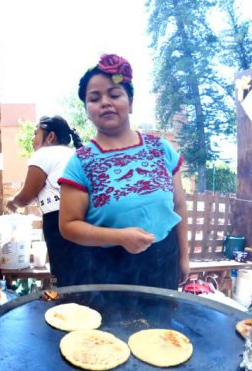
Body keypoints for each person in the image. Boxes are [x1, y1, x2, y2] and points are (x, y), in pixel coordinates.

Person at [57, 54, 189, 290]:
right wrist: (120, 236)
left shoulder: (161, 149)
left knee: (161, 327)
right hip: (106, 268)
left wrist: (184, 257)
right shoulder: (81, 162)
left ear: (130, 102)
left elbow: (179, 206)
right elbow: (68, 226)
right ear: (87, 110)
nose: (105, 102)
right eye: (94, 98)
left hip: (162, 260)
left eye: (114, 94)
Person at [6, 115, 82, 285]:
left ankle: (66, 308)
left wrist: (13, 203)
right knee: (80, 274)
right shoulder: (75, 154)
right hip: (83, 219)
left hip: (58, 221)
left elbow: (26, 197)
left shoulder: (44, 153)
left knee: (63, 277)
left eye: (35, 134)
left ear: (50, 137)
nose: (33, 139)